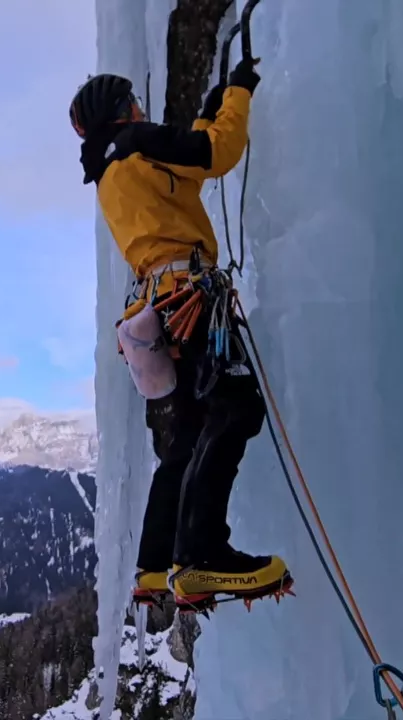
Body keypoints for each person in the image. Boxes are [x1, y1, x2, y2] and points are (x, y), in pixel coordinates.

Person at [69, 57, 293, 612]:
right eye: (134, 103)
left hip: (162, 304)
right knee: (236, 408)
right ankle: (201, 555)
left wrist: (204, 114)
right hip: (191, 296)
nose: (140, 109)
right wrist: (238, 94)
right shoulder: (139, 141)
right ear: (123, 110)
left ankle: (154, 563)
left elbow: (181, 171)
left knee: (190, 431)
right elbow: (216, 154)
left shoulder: (111, 169)